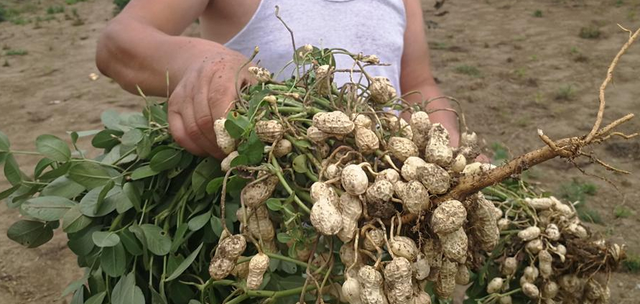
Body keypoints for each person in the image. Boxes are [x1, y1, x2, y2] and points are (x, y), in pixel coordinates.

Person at [96, 0, 459, 160]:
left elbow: (418, 83)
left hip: (382, 212)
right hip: (268, 215)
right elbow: (118, 43)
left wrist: (452, 156)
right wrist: (201, 60)